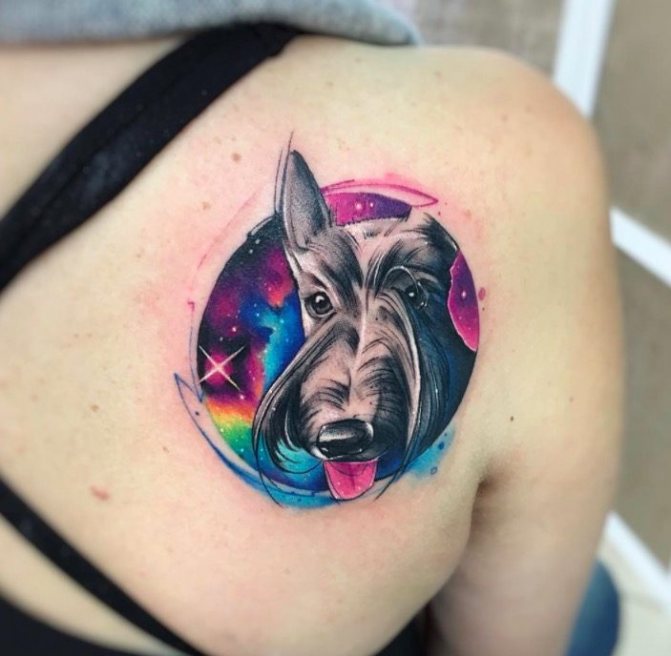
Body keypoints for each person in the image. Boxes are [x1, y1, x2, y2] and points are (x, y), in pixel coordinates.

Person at [0, 6, 622, 656]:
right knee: (595, 600)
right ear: (298, 248)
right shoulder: (510, 145)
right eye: (321, 302)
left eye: (408, 294)